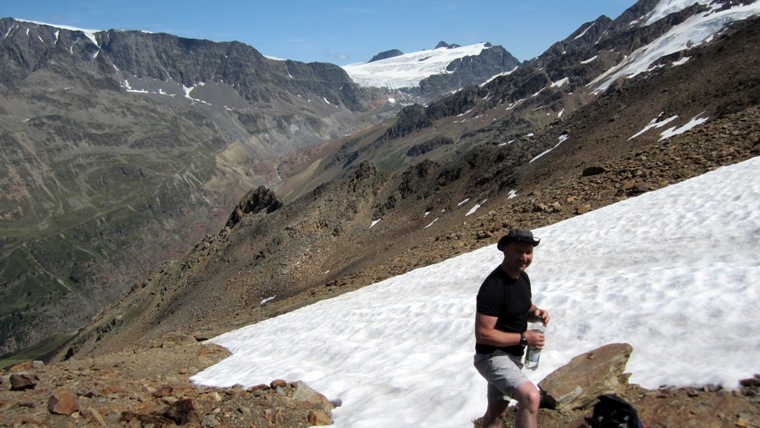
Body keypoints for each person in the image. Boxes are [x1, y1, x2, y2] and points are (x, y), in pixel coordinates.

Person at [473, 228, 551, 428]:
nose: (524, 257)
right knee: (531, 397)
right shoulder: (493, 287)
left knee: (496, 413)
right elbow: (483, 334)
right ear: (505, 250)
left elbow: (523, 308)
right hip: (492, 357)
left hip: (512, 357)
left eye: (528, 252)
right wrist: (524, 338)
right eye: (519, 251)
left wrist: (536, 313)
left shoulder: (522, 278)